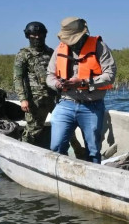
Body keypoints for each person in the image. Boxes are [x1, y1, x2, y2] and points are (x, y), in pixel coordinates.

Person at [45, 17, 116, 163]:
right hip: (65, 103)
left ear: (83, 34)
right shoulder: (60, 48)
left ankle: (93, 179)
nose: (71, 43)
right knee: (56, 147)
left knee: (93, 150)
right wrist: (58, 84)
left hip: (92, 105)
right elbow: (49, 75)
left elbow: (110, 75)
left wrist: (83, 82)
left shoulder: (99, 46)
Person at [13, 21, 57, 145]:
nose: (37, 37)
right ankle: (24, 151)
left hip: (54, 97)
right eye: (34, 35)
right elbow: (18, 78)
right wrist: (23, 99)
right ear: (28, 36)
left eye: (40, 35)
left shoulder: (51, 52)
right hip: (36, 99)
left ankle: (80, 153)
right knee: (33, 129)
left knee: (65, 124)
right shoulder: (23, 54)